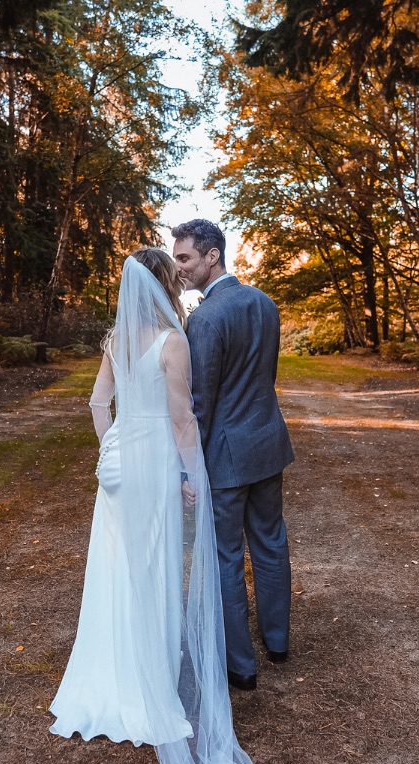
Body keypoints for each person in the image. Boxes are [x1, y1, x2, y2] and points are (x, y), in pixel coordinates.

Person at [49, 248, 254, 764]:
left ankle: (108, 673)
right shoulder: (171, 342)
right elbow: (183, 419)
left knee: (115, 568)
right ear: (165, 284)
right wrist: (192, 476)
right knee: (158, 565)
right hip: (157, 463)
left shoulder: (115, 340)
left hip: (117, 465)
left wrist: (112, 444)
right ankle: (152, 679)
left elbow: (98, 404)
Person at [172, 220, 295, 693]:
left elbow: (199, 404)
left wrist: (189, 469)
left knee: (225, 557)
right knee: (270, 542)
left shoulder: (204, 319)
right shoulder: (265, 303)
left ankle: (241, 667)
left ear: (212, 256)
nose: (179, 268)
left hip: (225, 458)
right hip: (267, 444)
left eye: (185, 258)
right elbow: (266, 376)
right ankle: (278, 642)